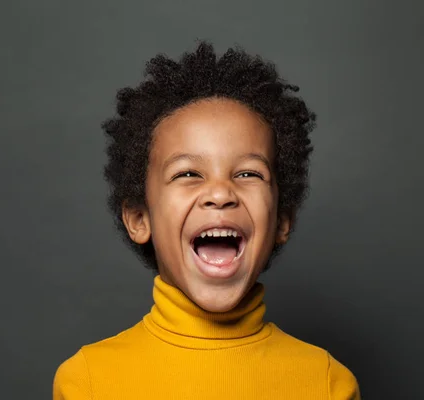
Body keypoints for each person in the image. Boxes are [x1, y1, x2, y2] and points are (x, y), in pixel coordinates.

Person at [53, 41, 361, 400]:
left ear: (281, 222)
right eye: (188, 174)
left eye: (248, 174)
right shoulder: (88, 381)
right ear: (139, 218)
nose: (220, 193)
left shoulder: (326, 383)